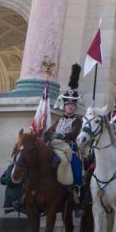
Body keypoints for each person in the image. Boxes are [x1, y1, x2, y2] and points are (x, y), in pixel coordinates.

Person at [48, 63, 84, 203]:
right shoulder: (59, 120)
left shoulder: (78, 120)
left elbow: (74, 134)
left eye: (72, 106)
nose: (69, 107)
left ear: (74, 107)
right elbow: (50, 130)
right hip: (55, 146)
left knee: (75, 165)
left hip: (71, 147)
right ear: (65, 106)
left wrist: (61, 135)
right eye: (68, 105)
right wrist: (46, 135)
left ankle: (76, 188)